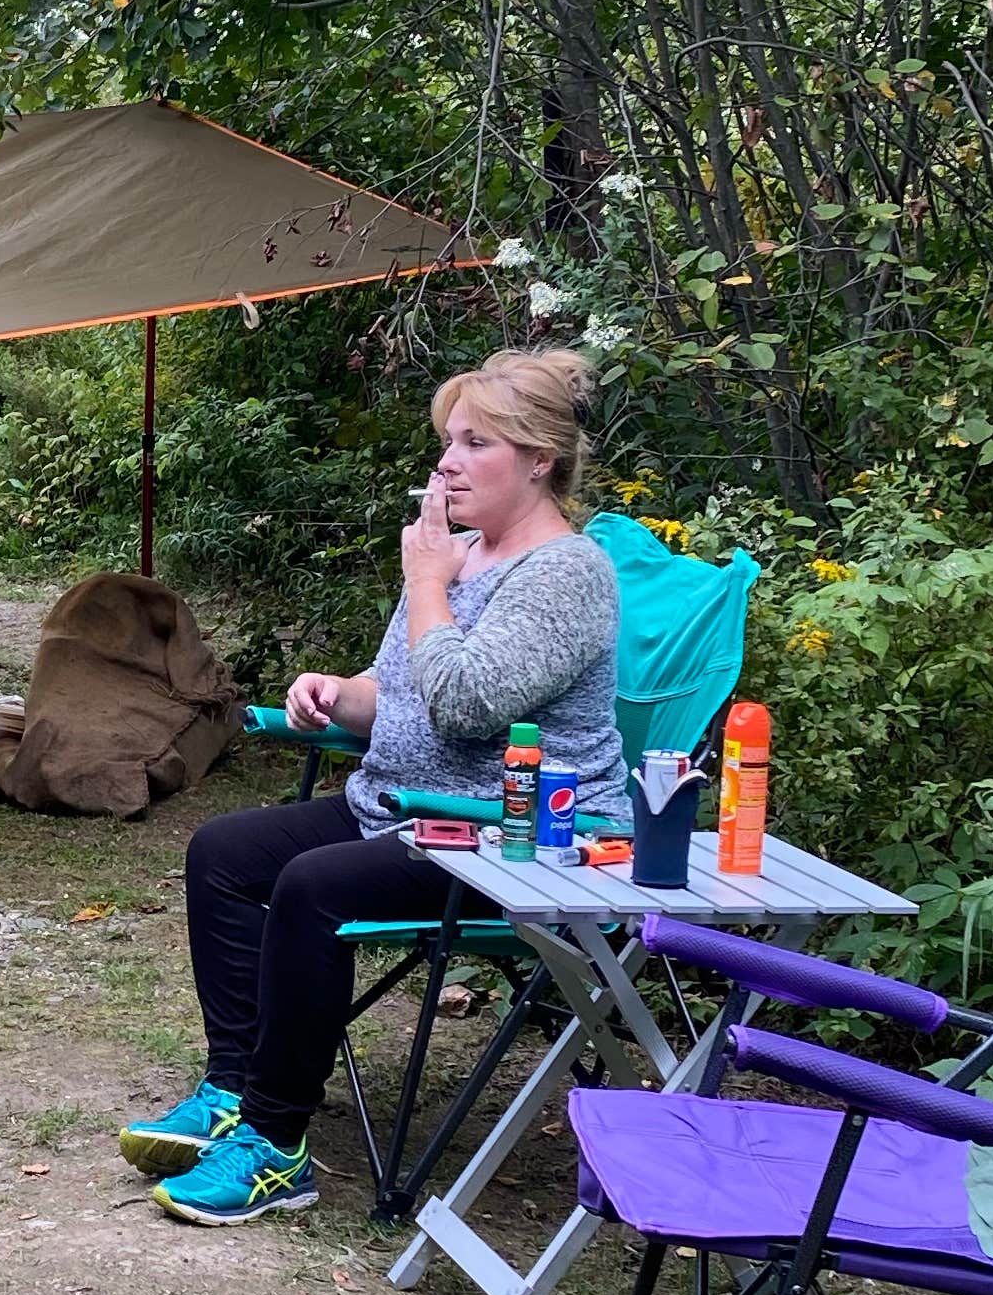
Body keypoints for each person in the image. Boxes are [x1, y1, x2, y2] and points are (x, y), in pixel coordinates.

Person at [122, 345, 624, 1223]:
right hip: (406, 812)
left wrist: (427, 580)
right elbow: (404, 687)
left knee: (314, 886)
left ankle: (279, 1149)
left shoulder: (567, 574)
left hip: (523, 836)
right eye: (448, 441)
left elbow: (468, 702)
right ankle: (235, 1089)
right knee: (225, 852)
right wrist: (335, 695)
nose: (447, 462)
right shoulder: (458, 553)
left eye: (476, 443)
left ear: (539, 460)